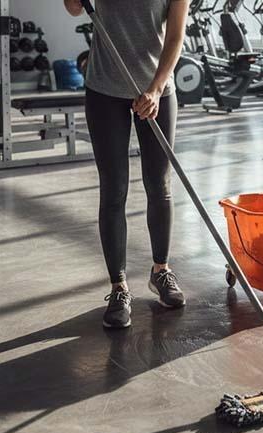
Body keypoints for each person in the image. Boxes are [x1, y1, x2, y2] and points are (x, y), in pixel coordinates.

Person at [64, 0, 190, 328]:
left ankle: (161, 271)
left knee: (158, 185)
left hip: (157, 92)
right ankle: (118, 287)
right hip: (105, 89)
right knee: (114, 187)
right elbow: (74, 8)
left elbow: (176, 37)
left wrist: (156, 88)